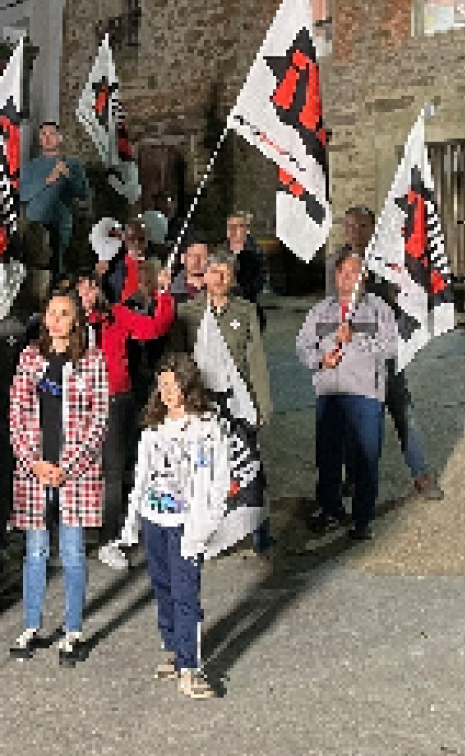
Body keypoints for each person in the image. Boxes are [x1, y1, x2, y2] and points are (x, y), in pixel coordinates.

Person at [118, 353, 231, 699]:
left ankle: (190, 667)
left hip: (186, 524)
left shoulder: (207, 427)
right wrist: (131, 523)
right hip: (155, 519)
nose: (166, 391)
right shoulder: (155, 425)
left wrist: (205, 525)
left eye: (173, 384)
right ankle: (174, 648)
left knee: (185, 595)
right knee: (163, 587)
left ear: (187, 384)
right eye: (161, 384)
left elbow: (218, 479)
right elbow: (141, 475)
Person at [7, 289, 109, 666]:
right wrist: (34, 461)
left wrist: (69, 466)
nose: (55, 320)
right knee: (35, 551)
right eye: (51, 312)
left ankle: (72, 630)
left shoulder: (92, 360)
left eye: (64, 314)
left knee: (72, 551)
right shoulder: (30, 358)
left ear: (76, 320)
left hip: (74, 473)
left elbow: (98, 421)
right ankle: (31, 625)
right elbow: (16, 414)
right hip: (36, 469)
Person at [328, 205, 445, 501]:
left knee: (402, 411)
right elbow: (333, 306)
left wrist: (376, 284)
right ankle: (354, 477)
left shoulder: (387, 262)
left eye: (362, 226)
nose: (355, 232)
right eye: (350, 226)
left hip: (384, 352)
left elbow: (400, 301)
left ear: (372, 228)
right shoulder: (337, 262)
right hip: (354, 356)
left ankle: (421, 475)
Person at [173, 251, 273, 551]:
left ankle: (258, 531)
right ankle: (200, 532)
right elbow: (177, 361)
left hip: (236, 401)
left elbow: (255, 360)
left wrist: (262, 404)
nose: (218, 278)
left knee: (248, 466)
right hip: (200, 402)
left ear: (233, 277)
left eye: (225, 273)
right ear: (204, 276)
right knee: (201, 469)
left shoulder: (245, 311)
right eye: (213, 271)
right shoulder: (187, 312)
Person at [297, 250, 399, 541]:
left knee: (365, 457)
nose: (347, 277)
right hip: (330, 392)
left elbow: (390, 348)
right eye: (342, 272)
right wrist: (320, 360)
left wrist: (357, 341)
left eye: (354, 272)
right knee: (327, 456)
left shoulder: (379, 309)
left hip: (365, 393)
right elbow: (303, 346)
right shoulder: (320, 310)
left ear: (363, 277)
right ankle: (330, 509)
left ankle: (362, 517)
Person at [93, 270, 177, 571]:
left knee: (116, 470)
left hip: (117, 399)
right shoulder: (69, 322)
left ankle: (109, 538)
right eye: (81, 290)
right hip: (82, 403)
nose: (87, 294)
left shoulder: (117, 315)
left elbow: (154, 327)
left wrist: (164, 294)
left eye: (91, 287)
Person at [18, 122, 89, 275]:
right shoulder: (30, 167)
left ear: (60, 138)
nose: (47, 138)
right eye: (43, 135)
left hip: (60, 224)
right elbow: (22, 195)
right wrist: (47, 180)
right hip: (35, 225)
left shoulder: (73, 164)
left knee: (58, 267)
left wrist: (68, 176)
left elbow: (83, 194)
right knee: (32, 266)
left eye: (51, 134)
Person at [226, 212, 267, 307]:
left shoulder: (255, 253)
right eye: (230, 226)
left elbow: (260, 280)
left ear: (247, 230)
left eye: (238, 226)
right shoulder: (219, 251)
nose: (233, 230)